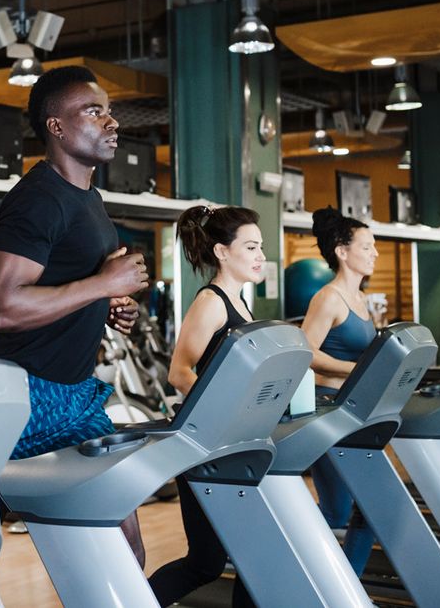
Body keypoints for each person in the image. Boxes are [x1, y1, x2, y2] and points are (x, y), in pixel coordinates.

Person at [0, 65, 149, 557]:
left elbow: (76, 286)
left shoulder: (88, 197)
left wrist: (109, 304)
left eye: (111, 112)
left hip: (74, 396)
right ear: (56, 126)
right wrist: (103, 283)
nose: (111, 122)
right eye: (94, 112)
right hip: (24, 396)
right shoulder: (37, 201)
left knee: (125, 547)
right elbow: (1, 309)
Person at [148, 205, 263, 608]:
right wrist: (222, 415)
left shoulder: (242, 304)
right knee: (206, 562)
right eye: (250, 247)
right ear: (222, 252)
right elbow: (179, 373)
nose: (260, 256)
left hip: (231, 439)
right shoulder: (212, 302)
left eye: (260, 247)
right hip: (204, 440)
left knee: (245, 557)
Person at [301, 205, 380, 576]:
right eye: (367, 246)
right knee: (340, 510)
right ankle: (284, 564)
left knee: (367, 507)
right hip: (325, 409)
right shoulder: (328, 298)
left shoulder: (361, 300)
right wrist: (357, 369)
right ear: (342, 251)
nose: (375, 253)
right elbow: (305, 352)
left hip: (351, 409)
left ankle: (347, 590)